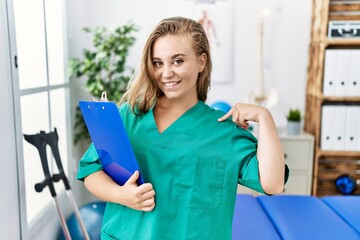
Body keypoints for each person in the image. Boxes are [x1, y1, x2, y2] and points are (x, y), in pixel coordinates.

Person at [77, 16, 288, 240]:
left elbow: (273, 184)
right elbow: (91, 170)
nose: (166, 73)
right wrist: (121, 195)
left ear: (201, 62)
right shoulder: (128, 116)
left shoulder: (224, 130)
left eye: (177, 61)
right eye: (158, 63)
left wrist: (264, 117)